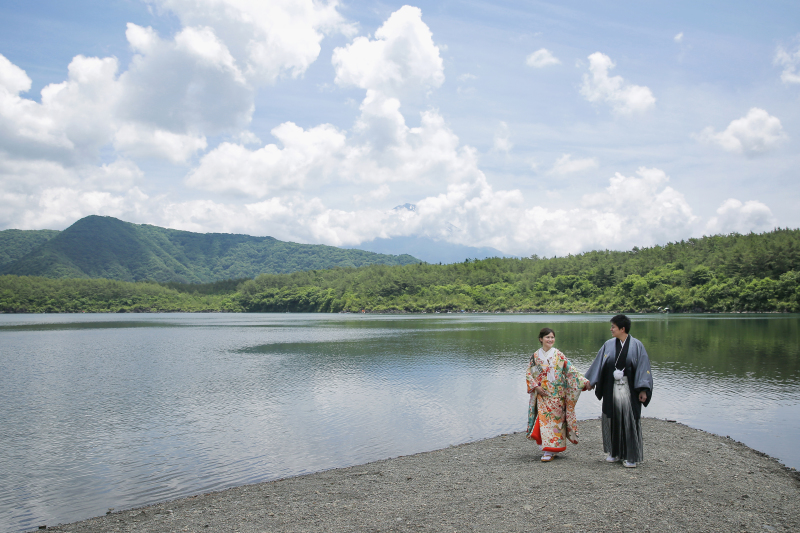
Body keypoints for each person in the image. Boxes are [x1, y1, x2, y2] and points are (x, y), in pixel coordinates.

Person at [584, 314, 653, 468]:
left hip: (630, 389)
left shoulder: (637, 346)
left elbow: (643, 368)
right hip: (611, 388)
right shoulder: (608, 345)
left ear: (622, 329)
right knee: (612, 420)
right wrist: (589, 382)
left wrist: (643, 390)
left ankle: (630, 456)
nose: (611, 329)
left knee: (629, 420)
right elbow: (598, 364)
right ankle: (614, 453)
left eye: (613, 327)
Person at [526, 327, 590, 462]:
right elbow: (531, 374)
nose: (550, 340)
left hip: (557, 395)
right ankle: (547, 448)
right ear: (541, 339)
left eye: (552, 337)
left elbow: (570, 371)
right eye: (547, 337)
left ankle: (550, 450)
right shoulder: (536, 356)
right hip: (542, 394)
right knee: (544, 421)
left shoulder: (558, 355)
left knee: (555, 422)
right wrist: (536, 387)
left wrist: (584, 382)